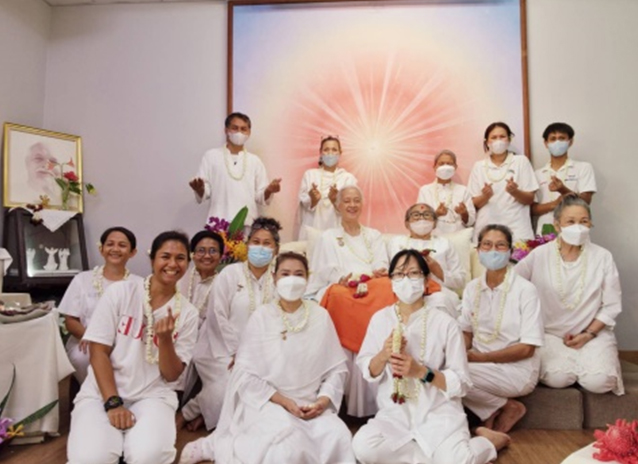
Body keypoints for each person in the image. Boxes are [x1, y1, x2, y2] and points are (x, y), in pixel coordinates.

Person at [179, 252, 355, 464]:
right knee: (287, 447)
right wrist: (283, 401)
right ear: (274, 277)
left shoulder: (320, 316)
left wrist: (323, 400)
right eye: (285, 274)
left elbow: (336, 370)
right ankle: (214, 444)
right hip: (270, 402)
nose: (292, 280)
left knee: (339, 437)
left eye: (299, 274)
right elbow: (245, 374)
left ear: (307, 278)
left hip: (311, 405)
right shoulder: (262, 316)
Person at [352, 249, 510, 464]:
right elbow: (367, 370)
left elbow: (462, 383)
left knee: (459, 461)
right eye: (399, 274)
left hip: (439, 415)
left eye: (413, 273)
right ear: (391, 281)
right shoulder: (380, 319)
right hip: (395, 415)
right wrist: (383, 355)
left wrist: (421, 372)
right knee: (364, 448)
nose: (406, 279)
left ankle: (490, 441)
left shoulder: (445, 323)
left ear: (426, 280)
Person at [66, 231, 199, 464]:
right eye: (165, 256)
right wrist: (113, 403)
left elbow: (171, 375)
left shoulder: (188, 313)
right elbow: (98, 352)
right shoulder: (120, 292)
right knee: (90, 459)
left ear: (188, 263)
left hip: (153, 396)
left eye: (180, 258)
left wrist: (165, 340)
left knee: (149, 457)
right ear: (152, 259)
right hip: (102, 393)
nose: (172, 264)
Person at [516, 195, 623, 395]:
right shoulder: (540, 254)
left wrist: (588, 334)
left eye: (584, 221)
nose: (578, 227)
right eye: (571, 222)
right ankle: (571, 366)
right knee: (558, 378)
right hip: (549, 333)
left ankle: (587, 363)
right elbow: (512, 284)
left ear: (591, 224)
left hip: (592, 333)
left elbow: (611, 304)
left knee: (600, 382)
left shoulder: (603, 257)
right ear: (557, 225)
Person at [183, 217, 280, 431]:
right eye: (256, 242)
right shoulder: (230, 274)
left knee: (265, 387)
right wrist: (238, 351)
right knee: (228, 386)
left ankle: (205, 412)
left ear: (276, 249)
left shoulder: (278, 279)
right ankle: (190, 412)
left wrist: (258, 353)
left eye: (267, 243)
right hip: (220, 350)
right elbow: (217, 315)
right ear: (247, 245)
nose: (260, 248)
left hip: (264, 352)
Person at [307, 185, 389, 417]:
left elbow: (382, 264)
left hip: (370, 285)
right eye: (347, 201)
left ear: (362, 205)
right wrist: (343, 280)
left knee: (386, 287)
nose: (352, 205)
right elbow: (323, 269)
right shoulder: (328, 236)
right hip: (341, 287)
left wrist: (376, 273)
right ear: (338, 206)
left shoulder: (374, 235)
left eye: (356, 200)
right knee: (341, 296)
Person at [460, 225, 544, 433]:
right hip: (480, 364)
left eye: (500, 245)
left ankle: (499, 409)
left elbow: (527, 349)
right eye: (487, 245)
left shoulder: (525, 290)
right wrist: (456, 352)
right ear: (478, 250)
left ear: (510, 251)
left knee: (453, 376)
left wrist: (481, 358)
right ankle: (500, 407)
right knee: (440, 367)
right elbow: (467, 332)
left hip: (516, 369)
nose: (493, 251)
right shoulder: (472, 288)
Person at [58, 227, 141, 384]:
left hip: (125, 343)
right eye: (110, 244)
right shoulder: (82, 279)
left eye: (122, 245)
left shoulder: (139, 284)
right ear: (101, 249)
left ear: (132, 252)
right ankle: (94, 394)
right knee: (82, 357)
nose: (115, 249)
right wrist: (90, 337)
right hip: (87, 339)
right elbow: (71, 320)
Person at [189, 112, 281, 224]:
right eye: (235, 128)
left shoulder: (255, 161)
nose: (239, 132)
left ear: (249, 132)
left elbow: (260, 197)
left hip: (246, 222)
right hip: (218, 223)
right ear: (226, 130)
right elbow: (205, 192)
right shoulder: (211, 156)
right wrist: (199, 189)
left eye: (243, 129)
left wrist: (269, 190)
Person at [175, 230, 224, 431]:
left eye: (213, 251)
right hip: (175, 335)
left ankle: (191, 412)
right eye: (201, 250)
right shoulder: (178, 275)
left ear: (221, 256)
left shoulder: (224, 282)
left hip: (210, 340)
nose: (207, 255)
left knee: (224, 382)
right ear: (193, 254)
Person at [387, 203, 466, 317]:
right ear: (406, 223)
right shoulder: (396, 242)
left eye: (427, 215)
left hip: (437, 293)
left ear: (435, 223)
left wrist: (439, 272)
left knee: (439, 301)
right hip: (402, 292)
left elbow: (461, 280)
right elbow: (387, 273)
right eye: (416, 215)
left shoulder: (444, 243)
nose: (421, 218)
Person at [468, 122, 539, 243]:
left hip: (518, 229)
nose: (498, 141)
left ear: (509, 139)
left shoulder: (521, 161)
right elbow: (473, 204)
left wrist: (515, 192)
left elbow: (530, 199)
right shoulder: (479, 166)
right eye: (494, 137)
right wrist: (485, 196)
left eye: (502, 137)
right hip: (486, 229)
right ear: (487, 142)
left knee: (520, 255)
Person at [532, 123, 597, 235]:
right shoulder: (537, 174)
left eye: (562, 138)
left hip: (576, 229)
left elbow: (586, 201)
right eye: (553, 139)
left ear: (570, 141)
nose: (557, 142)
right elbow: (532, 209)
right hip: (545, 232)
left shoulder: (583, 167)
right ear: (546, 143)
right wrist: (554, 204)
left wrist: (563, 190)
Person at [297, 135, 358, 239]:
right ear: (320, 153)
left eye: (334, 150)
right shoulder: (310, 175)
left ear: (340, 153)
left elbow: (352, 209)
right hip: (312, 231)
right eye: (326, 150)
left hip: (338, 232)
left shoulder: (348, 178)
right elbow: (303, 203)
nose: (330, 153)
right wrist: (313, 200)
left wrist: (336, 201)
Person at [417, 149, 476, 235]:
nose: (445, 167)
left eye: (449, 164)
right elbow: (420, 219)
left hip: (458, 237)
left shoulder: (463, 190)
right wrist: (436, 214)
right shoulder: (425, 190)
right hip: (433, 237)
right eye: (441, 164)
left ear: (455, 167)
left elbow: (471, 222)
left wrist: (464, 214)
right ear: (434, 167)